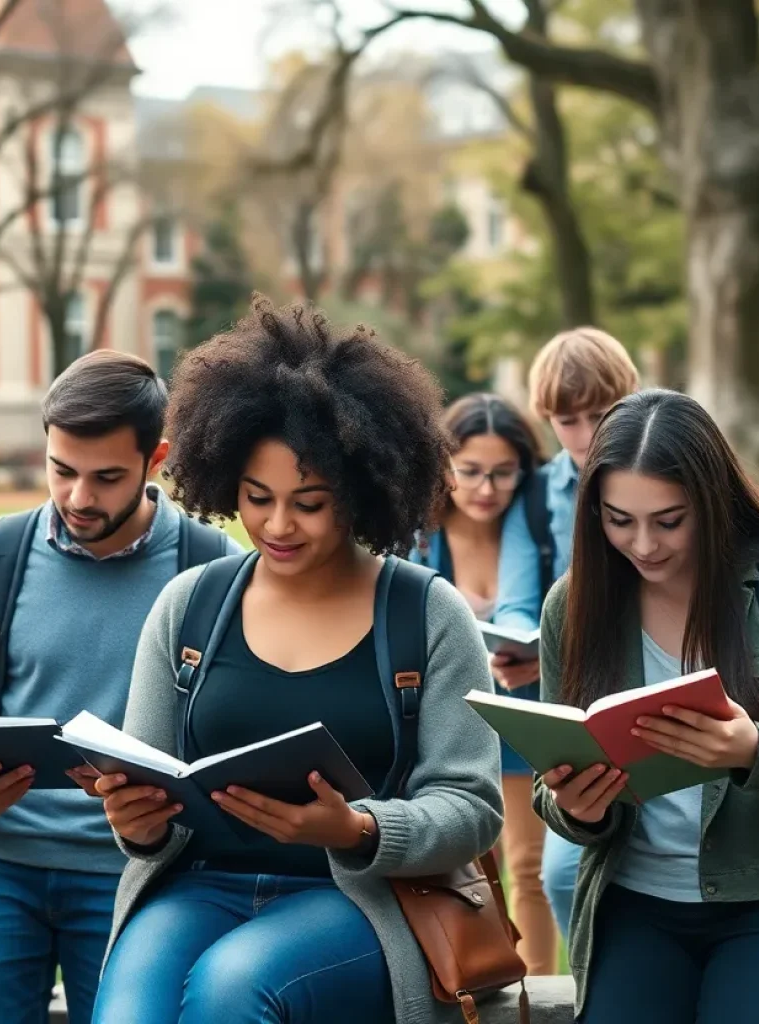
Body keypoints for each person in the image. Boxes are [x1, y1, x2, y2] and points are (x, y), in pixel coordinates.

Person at [86, 296, 502, 1024]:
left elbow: (472, 809)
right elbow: (147, 788)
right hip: (200, 886)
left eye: (309, 502)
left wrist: (360, 829)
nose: (277, 526)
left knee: (231, 989)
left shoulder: (427, 615)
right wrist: (137, 820)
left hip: (358, 900)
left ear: (361, 492)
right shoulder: (190, 607)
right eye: (257, 498)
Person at [0, 351, 242, 1024]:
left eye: (106, 477)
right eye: (61, 471)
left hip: (138, 875)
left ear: (156, 460)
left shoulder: (212, 570)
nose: (77, 497)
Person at [533, 389, 759, 1022]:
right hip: (634, 901)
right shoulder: (574, 606)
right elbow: (550, 783)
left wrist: (755, 750)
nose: (643, 544)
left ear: (714, 500)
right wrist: (576, 809)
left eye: (669, 520)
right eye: (619, 520)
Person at [493, 327, 639, 937]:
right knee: (557, 871)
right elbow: (520, 599)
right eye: (566, 419)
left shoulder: (663, 469)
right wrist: (520, 643)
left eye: (599, 414)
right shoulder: (537, 497)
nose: (584, 435)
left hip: (650, 675)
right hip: (575, 692)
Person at [409, 393, 558, 975]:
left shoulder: (540, 528)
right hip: (448, 717)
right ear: (444, 466)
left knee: (529, 867)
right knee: (462, 866)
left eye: (503, 473)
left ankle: (543, 992)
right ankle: (468, 984)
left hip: (525, 709)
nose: (486, 490)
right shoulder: (419, 534)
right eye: (469, 471)